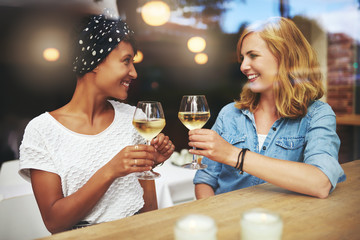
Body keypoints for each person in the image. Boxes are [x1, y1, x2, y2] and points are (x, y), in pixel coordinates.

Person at [18, 13, 175, 233]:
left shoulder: (135, 118)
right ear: (94, 63)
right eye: (126, 61)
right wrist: (111, 170)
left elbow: (148, 205)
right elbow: (54, 222)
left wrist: (149, 164)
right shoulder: (42, 130)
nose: (134, 72)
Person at [190, 17, 345, 200]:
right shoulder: (230, 114)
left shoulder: (317, 115)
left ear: (285, 56)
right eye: (242, 58)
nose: (243, 66)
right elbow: (205, 180)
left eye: (253, 55)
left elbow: (320, 183)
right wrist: (216, 219)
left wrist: (233, 154)